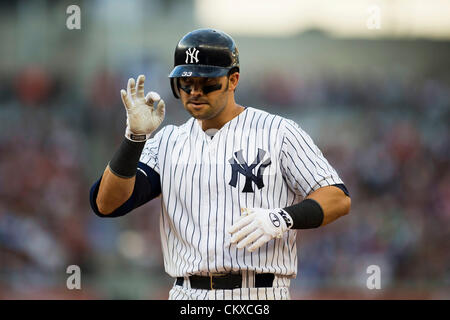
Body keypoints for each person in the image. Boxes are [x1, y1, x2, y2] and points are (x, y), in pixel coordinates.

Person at [89, 28, 351, 300]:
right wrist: (134, 138)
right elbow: (107, 204)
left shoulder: (278, 132)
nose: (195, 92)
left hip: (259, 294)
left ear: (233, 79)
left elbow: (337, 197)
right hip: (188, 295)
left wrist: (283, 217)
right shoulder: (167, 142)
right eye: (186, 83)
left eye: (207, 82)